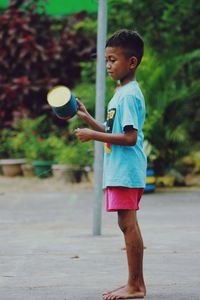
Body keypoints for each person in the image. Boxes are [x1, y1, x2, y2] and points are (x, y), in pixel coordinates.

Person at [75, 29, 147, 299]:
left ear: (132, 62)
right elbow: (112, 128)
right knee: (127, 225)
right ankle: (134, 282)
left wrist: (92, 135)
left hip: (126, 170)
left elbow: (129, 137)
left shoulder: (128, 95)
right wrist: (87, 119)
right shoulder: (121, 93)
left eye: (113, 59)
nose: (108, 65)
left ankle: (136, 286)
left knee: (128, 225)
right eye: (106, 60)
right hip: (122, 169)